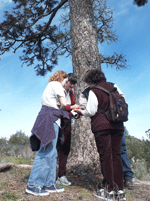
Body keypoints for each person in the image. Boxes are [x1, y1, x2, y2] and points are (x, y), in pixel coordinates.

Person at [75, 69, 126, 200]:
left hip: (102, 126)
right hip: (118, 125)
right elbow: (123, 99)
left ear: (92, 81)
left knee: (105, 156)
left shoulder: (94, 91)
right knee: (116, 155)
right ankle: (119, 190)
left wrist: (81, 112)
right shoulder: (114, 87)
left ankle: (108, 191)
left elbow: (91, 111)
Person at [80, 85, 134, 190]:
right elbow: (84, 106)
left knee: (115, 151)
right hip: (114, 123)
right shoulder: (87, 92)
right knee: (113, 152)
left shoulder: (110, 85)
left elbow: (87, 109)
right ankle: (114, 182)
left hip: (109, 123)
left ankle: (125, 178)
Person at [26, 70, 70, 196]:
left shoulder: (51, 87)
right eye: (66, 81)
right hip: (50, 118)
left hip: (53, 119)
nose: (66, 84)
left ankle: (49, 183)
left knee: (53, 153)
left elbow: (60, 105)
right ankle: (33, 184)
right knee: (45, 151)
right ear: (62, 78)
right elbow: (64, 104)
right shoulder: (56, 84)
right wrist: (72, 106)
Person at [56, 73, 80, 186]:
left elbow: (73, 106)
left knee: (65, 147)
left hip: (67, 121)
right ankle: (49, 174)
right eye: (71, 83)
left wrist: (76, 113)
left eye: (74, 84)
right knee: (54, 147)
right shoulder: (58, 89)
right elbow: (59, 105)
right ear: (66, 81)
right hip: (56, 120)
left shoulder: (71, 93)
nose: (72, 86)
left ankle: (61, 175)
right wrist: (70, 107)